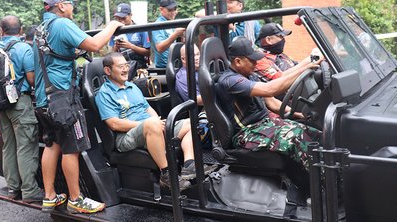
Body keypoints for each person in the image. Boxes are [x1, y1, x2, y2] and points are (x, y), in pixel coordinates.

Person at [34, 0, 124, 214]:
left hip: (44, 98)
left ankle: (49, 195)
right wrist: (112, 26)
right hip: (64, 99)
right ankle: (76, 199)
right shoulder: (62, 24)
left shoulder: (41, 28)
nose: (73, 8)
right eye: (70, 4)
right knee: (72, 148)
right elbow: (94, 45)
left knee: (52, 145)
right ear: (61, 6)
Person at [216, 37, 322, 199]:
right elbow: (269, 90)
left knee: (314, 133)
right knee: (296, 138)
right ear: (238, 61)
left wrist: (300, 116)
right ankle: (323, 185)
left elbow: (271, 102)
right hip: (246, 133)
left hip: (265, 124)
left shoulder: (249, 75)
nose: (256, 64)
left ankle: (313, 181)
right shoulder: (230, 81)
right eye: (252, 60)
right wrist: (304, 68)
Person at [96, 52, 198, 191]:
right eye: (121, 67)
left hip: (149, 127)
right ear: (108, 70)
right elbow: (114, 124)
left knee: (190, 122)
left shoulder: (132, 87)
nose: (126, 69)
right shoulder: (104, 94)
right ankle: (166, 174)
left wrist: (158, 123)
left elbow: (148, 109)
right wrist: (148, 125)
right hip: (126, 136)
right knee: (152, 124)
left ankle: (189, 166)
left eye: (126, 65)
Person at [0, 15, 41, 202]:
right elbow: (31, 79)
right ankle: (29, 191)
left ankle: (13, 188)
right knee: (26, 145)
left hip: (0, 104)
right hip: (19, 103)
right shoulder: (23, 48)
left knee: (9, 146)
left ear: (1, 31)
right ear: (20, 31)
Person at [110, 3, 151, 69]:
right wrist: (116, 47)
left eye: (124, 18)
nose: (121, 21)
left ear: (131, 15)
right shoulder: (114, 32)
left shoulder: (140, 30)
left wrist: (131, 46)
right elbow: (112, 55)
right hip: (121, 68)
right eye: (118, 19)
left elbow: (148, 53)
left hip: (140, 67)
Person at [151, 0, 185, 68]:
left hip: (175, 64)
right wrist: (175, 34)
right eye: (170, 10)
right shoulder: (158, 24)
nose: (173, 13)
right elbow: (159, 48)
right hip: (164, 68)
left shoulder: (172, 22)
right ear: (161, 9)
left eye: (175, 9)